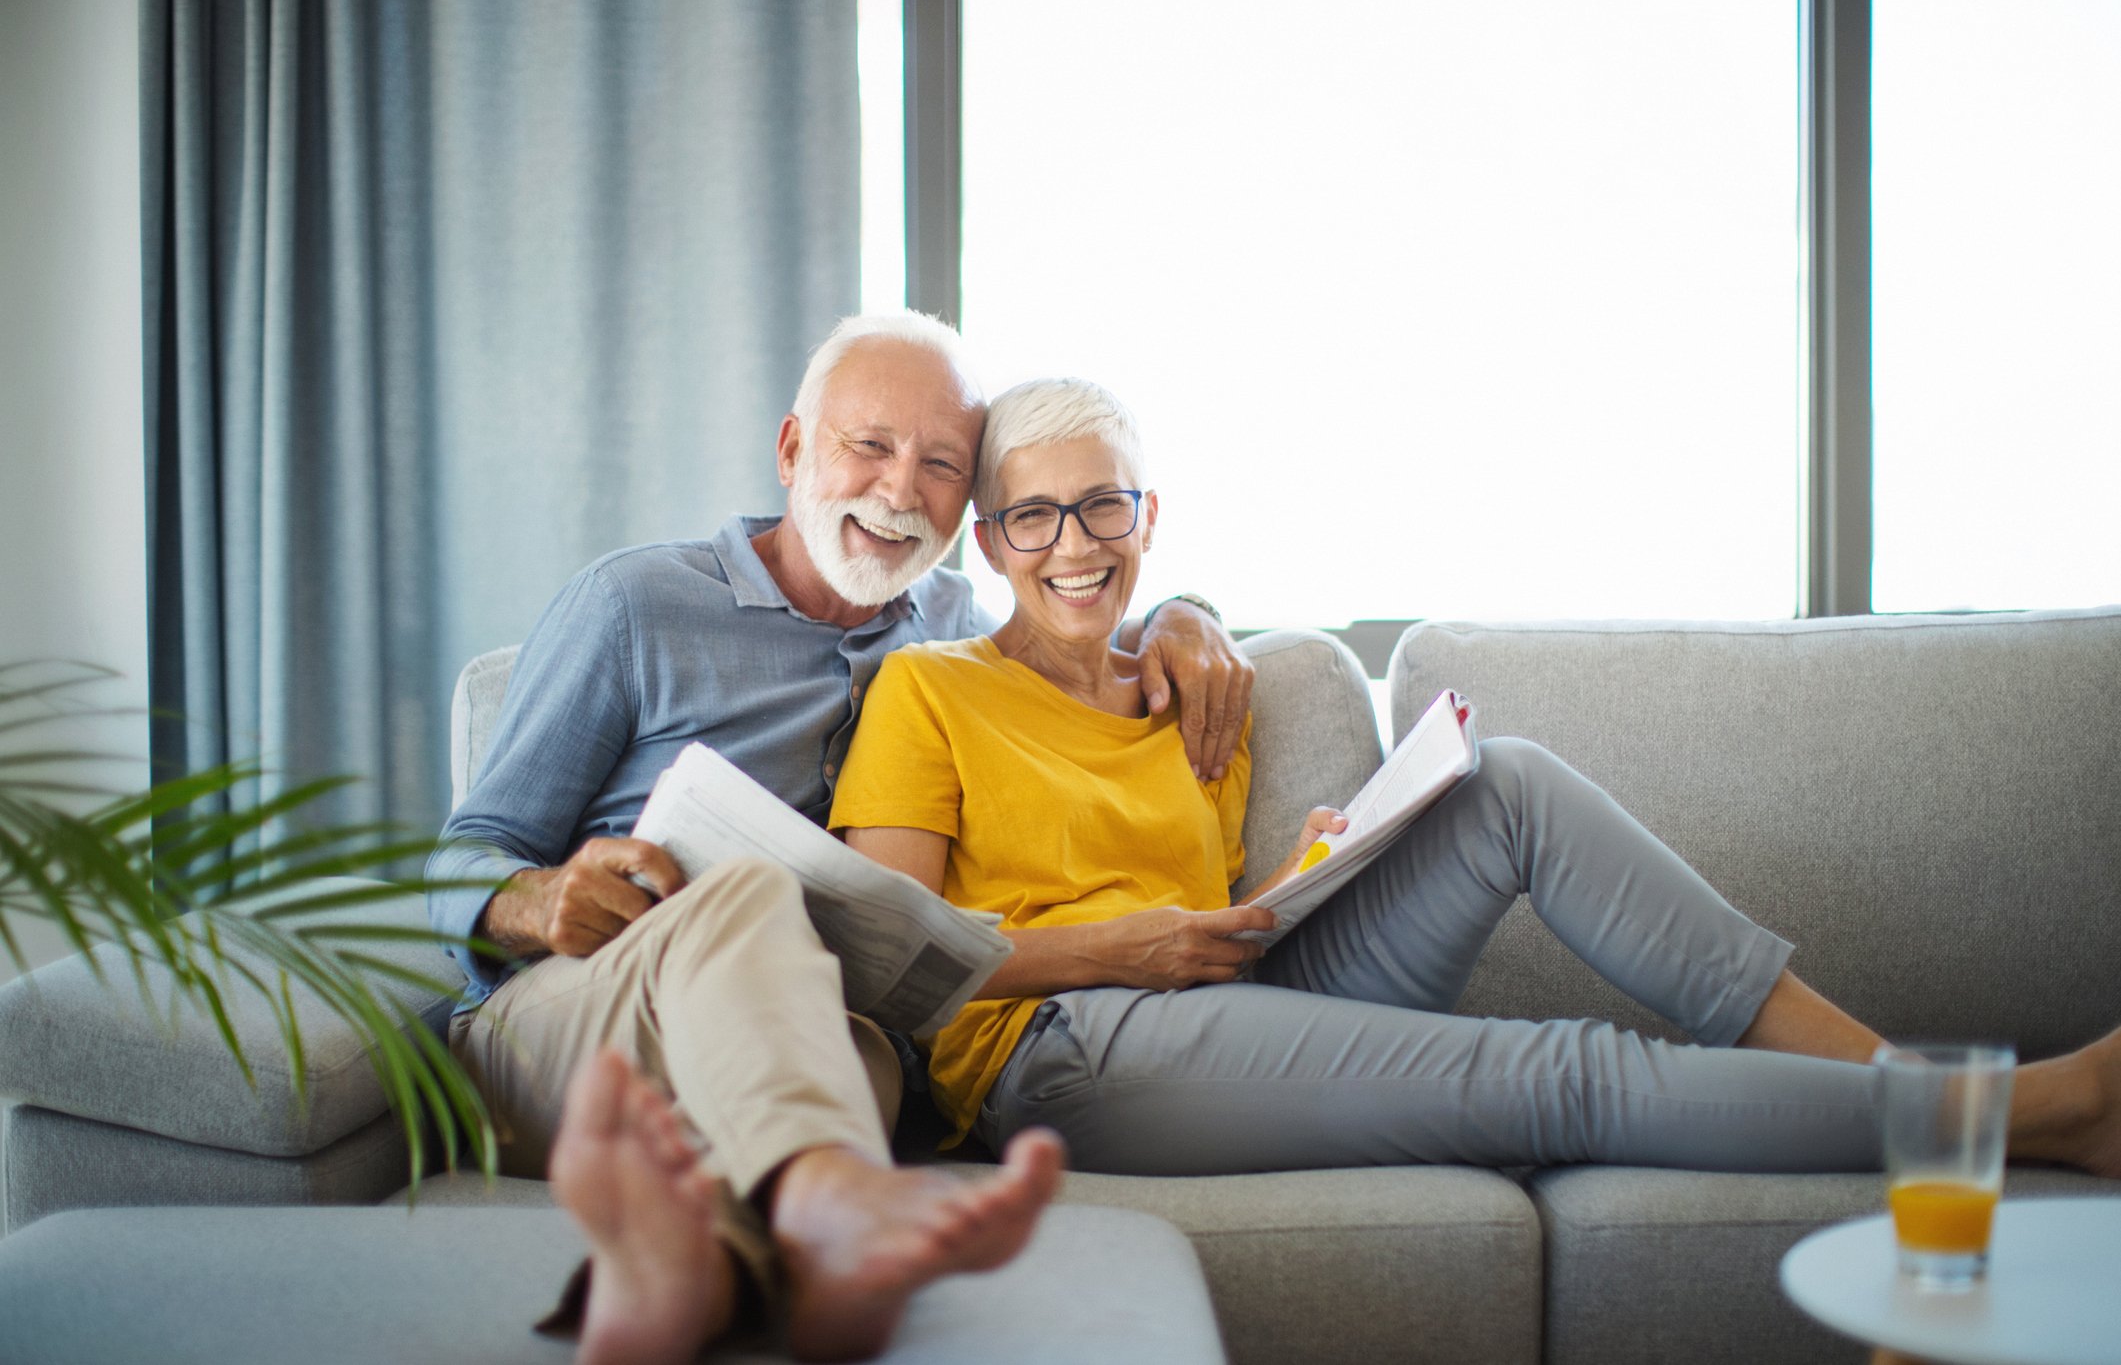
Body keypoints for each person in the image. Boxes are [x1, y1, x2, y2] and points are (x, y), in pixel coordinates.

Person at [830, 376, 2121, 1181]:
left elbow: (1207, 928)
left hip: (1215, 994)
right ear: (991, 541)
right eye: (1034, 516)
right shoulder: (929, 689)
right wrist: (1125, 949)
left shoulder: (1190, 686)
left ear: (1147, 519)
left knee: (1507, 780)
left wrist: (1299, 876)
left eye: (1101, 506)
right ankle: (2011, 1117)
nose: (1074, 545)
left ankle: (1887, 1074)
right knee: (1563, 1070)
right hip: (1062, 1056)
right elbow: (898, 957)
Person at [426, 315, 1252, 1363]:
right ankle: (831, 1216)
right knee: (747, 897)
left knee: (866, 1056)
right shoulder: (634, 605)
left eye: (941, 464)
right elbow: (459, 855)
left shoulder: (953, 626)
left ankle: (702, 1263)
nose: (901, 491)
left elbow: (1094, 585)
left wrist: (1189, 610)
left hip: (807, 1027)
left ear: (972, 509)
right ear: (791, 451)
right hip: (585, 1008)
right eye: (870, 446)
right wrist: (538, 901)